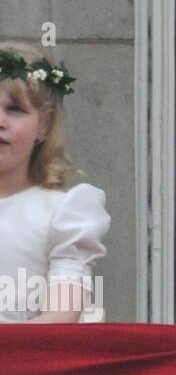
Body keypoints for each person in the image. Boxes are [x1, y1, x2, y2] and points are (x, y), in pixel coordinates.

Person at [0, 42, 108, 322]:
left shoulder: (63, 214)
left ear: (44, 125)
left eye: (14, 109)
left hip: (25, 361)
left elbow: (61, 317)